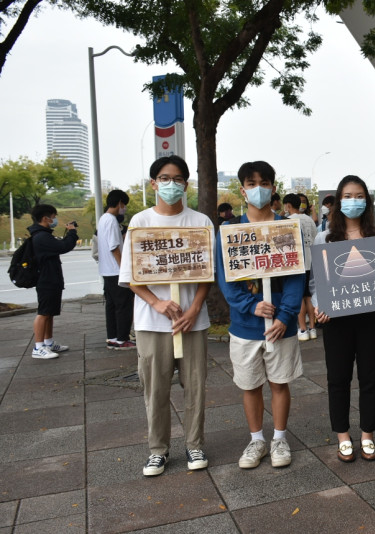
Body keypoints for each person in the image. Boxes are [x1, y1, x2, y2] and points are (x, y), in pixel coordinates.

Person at [119, 155, 213, 477]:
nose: (170, 184)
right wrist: (156, 302)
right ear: (153, 183)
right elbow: (131, 276)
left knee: (196, 386)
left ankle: (194, 444)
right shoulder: (140, 223)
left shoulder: (201, 222)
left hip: (192, 321)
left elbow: (208, 276)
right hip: (151, 323)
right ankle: (157, 450)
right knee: (155, 389)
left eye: (176, 179)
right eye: (164, 177)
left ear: (186, 184)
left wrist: (195, 308)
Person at [216, 161, 304, 470]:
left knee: (280, 383)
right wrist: (249, 305)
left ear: (273, 188)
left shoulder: (286, 227)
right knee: (249, 385)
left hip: (281, 325)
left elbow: (296, 277)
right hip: (245, 326)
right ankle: (257, 440)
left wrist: (285, 315)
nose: (258, 189)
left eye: (264, 183)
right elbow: (224, 277)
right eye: (251, 184)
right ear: (242, 190)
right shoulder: (228, 230)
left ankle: (279, 438)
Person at [312, 175, 375, 462]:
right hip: (336, 319)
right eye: (347, 196)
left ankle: (367, 434)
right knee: (337, 378)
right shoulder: (324, 237)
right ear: (338, 201)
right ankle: (342, 435)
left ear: (367, 200)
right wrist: (318, 305)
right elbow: (315, 283)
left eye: (359, 195)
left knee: (371, 377)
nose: (353, 201)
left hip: (372, 317)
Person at [28, 204, 78, 359]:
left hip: (51, 278)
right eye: (53, 217)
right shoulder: (41, 236)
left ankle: (48, 342)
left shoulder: (43, 234)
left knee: (49, 312)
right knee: (43, 313)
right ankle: (38, 347)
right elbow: (63, 247)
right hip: (46, 279)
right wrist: (72, 232)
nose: (54, 219)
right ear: (45, 218)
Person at [98, 190, 136, 350]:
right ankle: (122, 339)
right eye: (124, 204)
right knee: (124, 306)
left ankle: (112, 337)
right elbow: (114, 247)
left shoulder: (102, 219)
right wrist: (124, 269)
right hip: (116, 271)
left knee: (111, 306)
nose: (124, 208)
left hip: (106, 271)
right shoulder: (112, 220)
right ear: (119, 203)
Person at [282, 193, 318, 341]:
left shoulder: (287, 221)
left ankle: (302, 329)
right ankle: (313, 328)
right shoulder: (309, 219)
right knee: (309, 296)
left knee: (299, 297)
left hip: (297, 263)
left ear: (288, 205)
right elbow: (316, 239)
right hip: (311, 261)